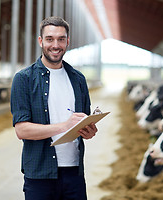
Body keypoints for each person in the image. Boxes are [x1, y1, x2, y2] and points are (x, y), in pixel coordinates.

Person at [10, 16, 98, 200]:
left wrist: (89, 131)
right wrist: (65, 125)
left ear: (68, 41)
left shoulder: (78, 79)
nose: (55, 45)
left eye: (61, 39)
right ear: (41, 41)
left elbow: (84, 125)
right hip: (39, 174)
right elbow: (22, 130)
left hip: (74, 173)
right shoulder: (24, 79)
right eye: (50, 39)